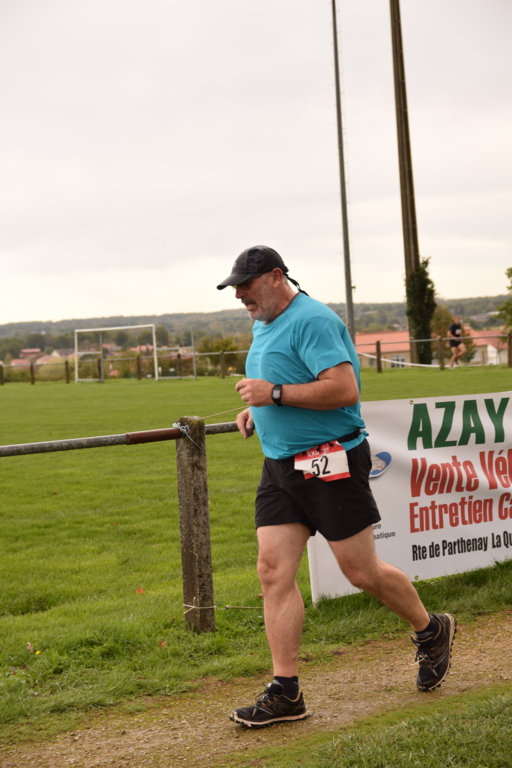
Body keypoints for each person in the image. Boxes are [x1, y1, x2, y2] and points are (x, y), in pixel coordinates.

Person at [217, 245, 456, 729]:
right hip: (280, 467)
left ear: (277, 277)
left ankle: (430, 629)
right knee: (272, 571)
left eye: (246, 285)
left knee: (361, 571)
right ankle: (286, 691)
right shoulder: (263, 322)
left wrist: (273, 395)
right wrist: (258, 409)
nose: (240, 295)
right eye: (235, 287)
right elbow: (283, 380)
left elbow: (344, 390)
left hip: (331, 462)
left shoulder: (314, 321)